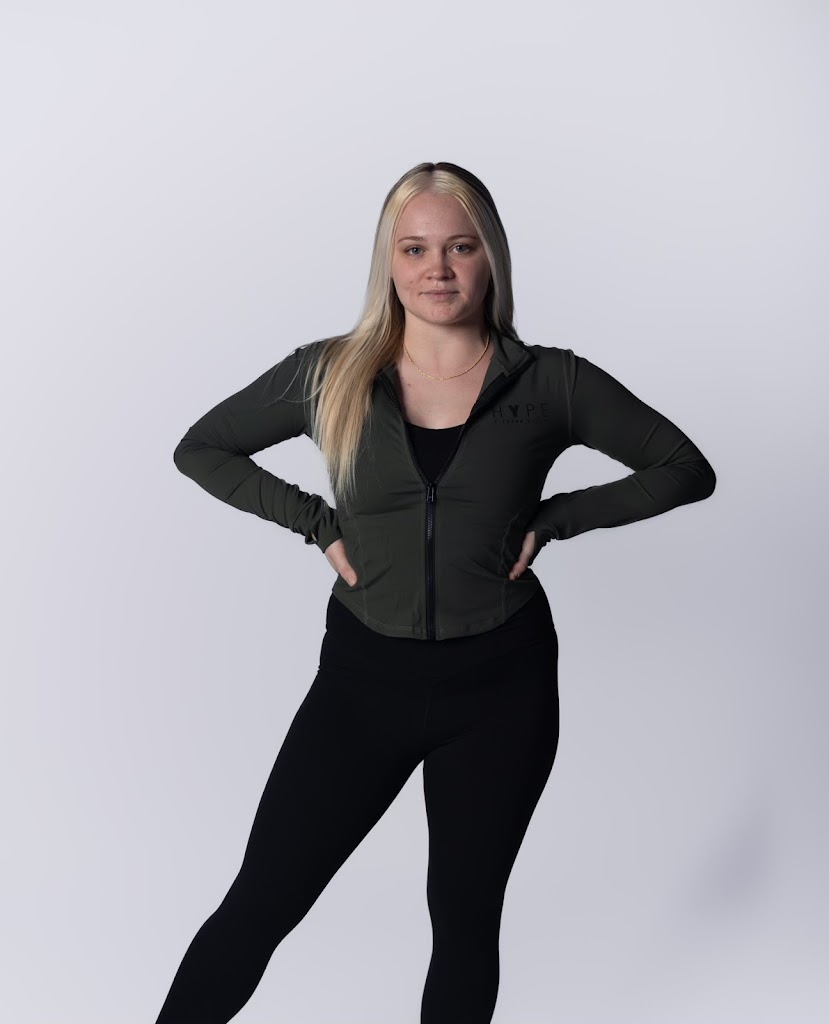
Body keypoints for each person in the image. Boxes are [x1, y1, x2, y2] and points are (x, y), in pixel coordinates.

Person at [155, 161, 716, 1023]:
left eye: (460, 247)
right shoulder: (329, 373)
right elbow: (202, 448)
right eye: (414, 249)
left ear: (491, 257)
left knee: (463, 922)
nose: (437, 269)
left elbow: (682, 468)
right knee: (261, 903)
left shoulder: (551, 381)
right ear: (388, 261)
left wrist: (556, 520)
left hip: (500, 689)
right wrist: (314, 524)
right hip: (361, 686)